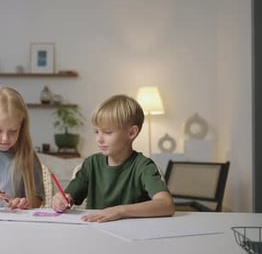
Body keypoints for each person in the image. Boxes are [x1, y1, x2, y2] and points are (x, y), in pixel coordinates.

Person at [52, 94, 175, 222]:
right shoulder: (91, 164)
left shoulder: (143, 166)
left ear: (132, 133)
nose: (99, 139)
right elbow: (68, 197)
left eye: (108, 132)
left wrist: (120, 211)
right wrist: (61, 201)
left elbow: (166, 204)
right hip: (96, 232)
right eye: (96, 132)